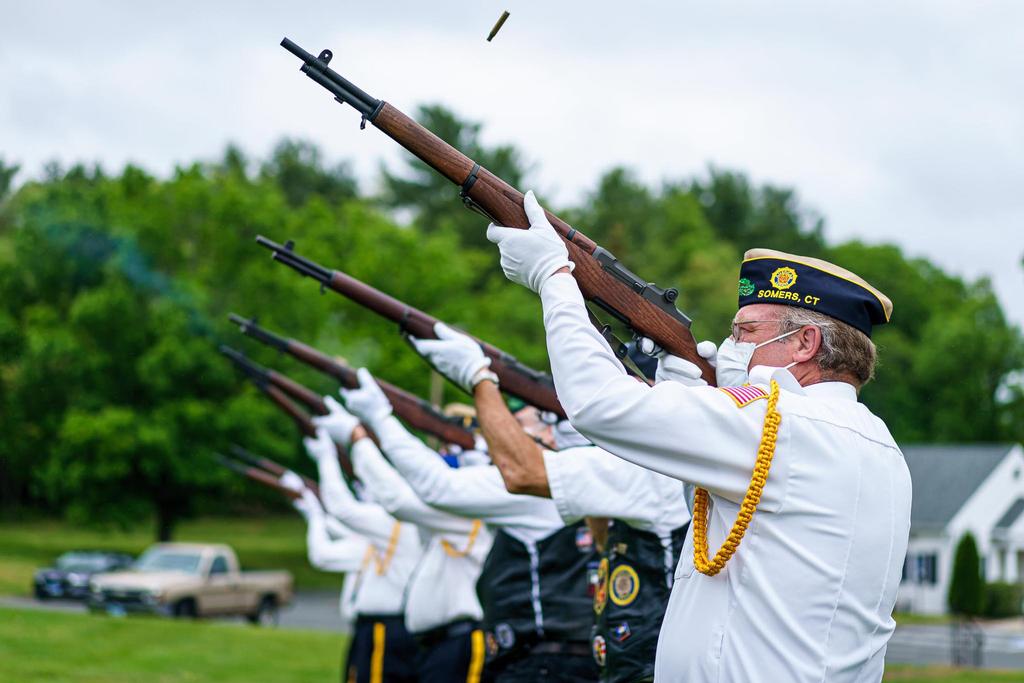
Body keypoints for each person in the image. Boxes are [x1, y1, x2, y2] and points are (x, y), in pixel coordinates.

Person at [482, 192, 912, 682]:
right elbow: (732, 524)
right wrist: (685, 392)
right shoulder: (877, 444)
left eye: (746, 332)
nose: (732, 345)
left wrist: (553, 278)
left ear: (804, 344)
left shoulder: (781, 424)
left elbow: (597, 402)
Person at [408, 329, 690, 683]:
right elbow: (602, 540)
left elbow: (521, 472)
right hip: (632, 664)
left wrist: (479, 379)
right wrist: (582, 446)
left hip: (649, 668)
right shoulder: (651, 463)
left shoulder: (646, 468)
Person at [340, 369, 600, 682]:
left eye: (519, 425)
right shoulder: (578, 476)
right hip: (537, 656)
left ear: (551, 433)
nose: (506, 435)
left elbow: (431, 489)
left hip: (539, 661)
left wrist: (375, 422)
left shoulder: (539, 483)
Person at [314, 390, 492, 683]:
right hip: (435, 644)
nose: (447, 452)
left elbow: (398, 500)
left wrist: (358, 437)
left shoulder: (470, 512)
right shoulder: (452, 514)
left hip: (459, 642)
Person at [304, 429, 421, 683]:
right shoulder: (397, 525)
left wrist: (327, 457)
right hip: (380, 627)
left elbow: (343, 510)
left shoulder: (396, 524)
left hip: (387, 628)